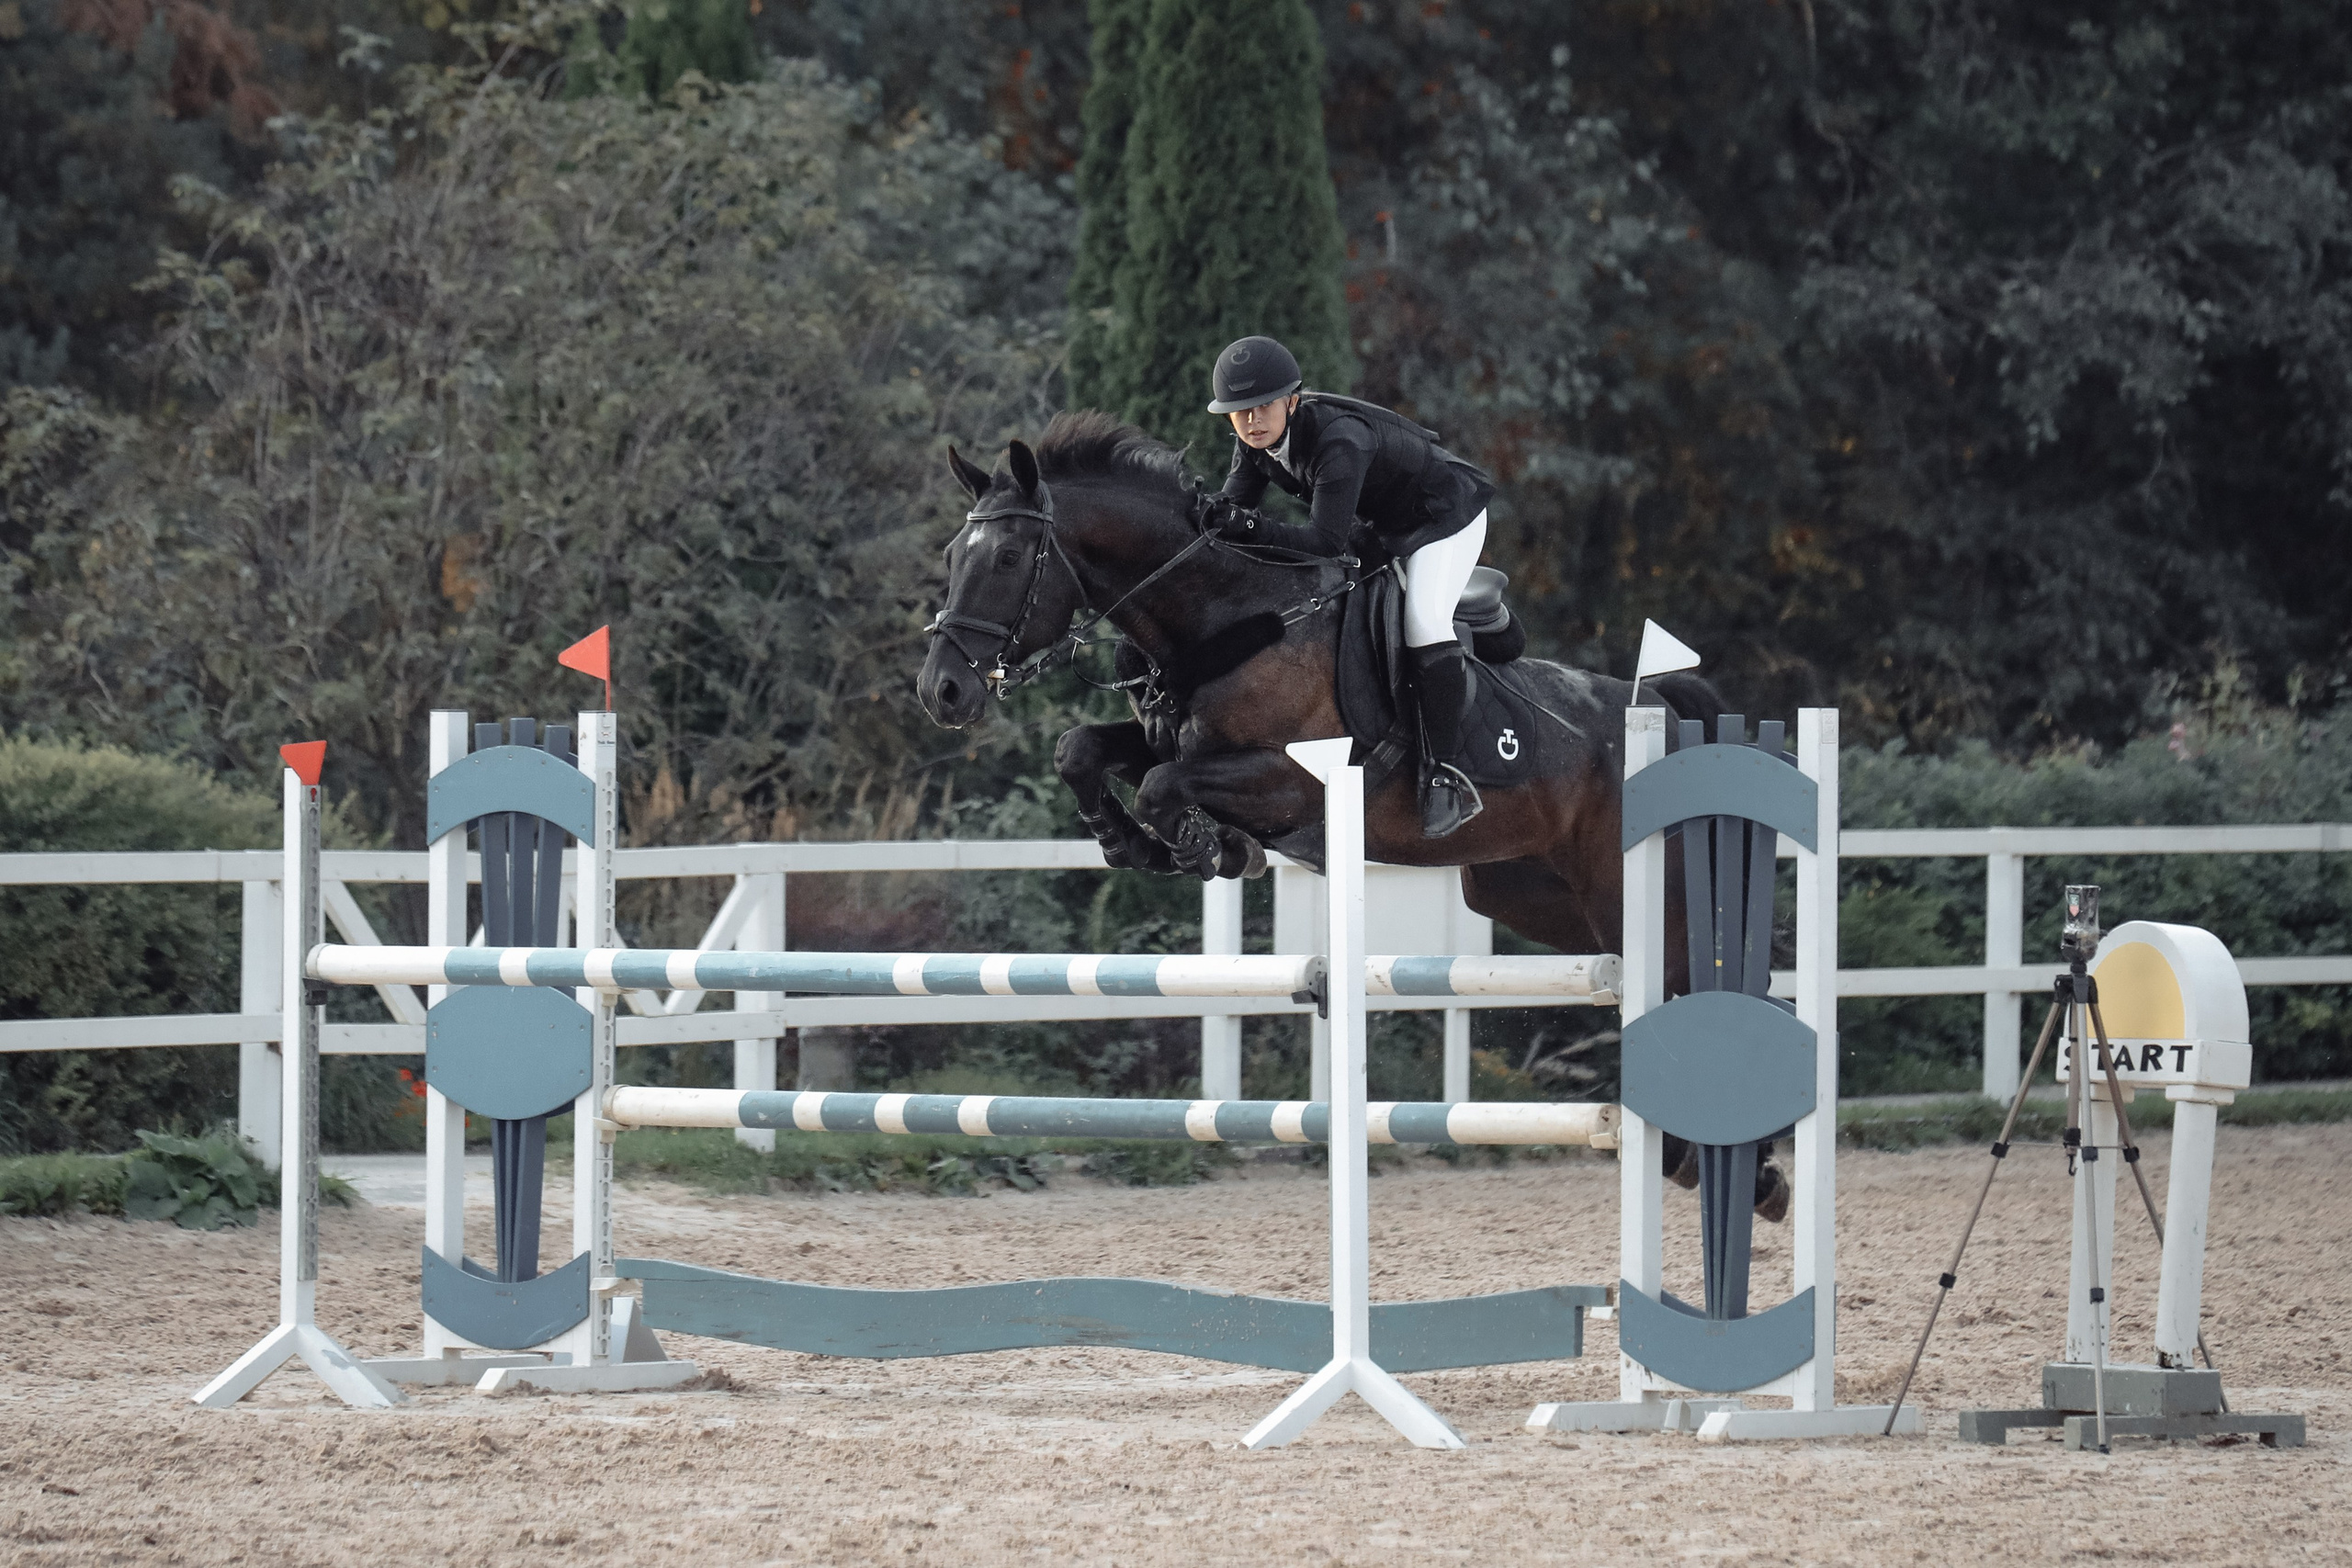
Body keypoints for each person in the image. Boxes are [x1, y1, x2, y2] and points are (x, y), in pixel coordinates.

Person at [1203, 334, 1496, 838]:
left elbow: (1322, 542)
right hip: (1382, 521)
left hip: (1443, 514)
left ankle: (1445, 773)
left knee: (1423, 622)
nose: (1251, 420)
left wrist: (1246, 528)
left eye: (1263, 406)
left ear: (1292, 401)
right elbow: (1232, 512)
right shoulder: (1252, 444)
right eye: (1240, 411)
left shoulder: (1339, 440)